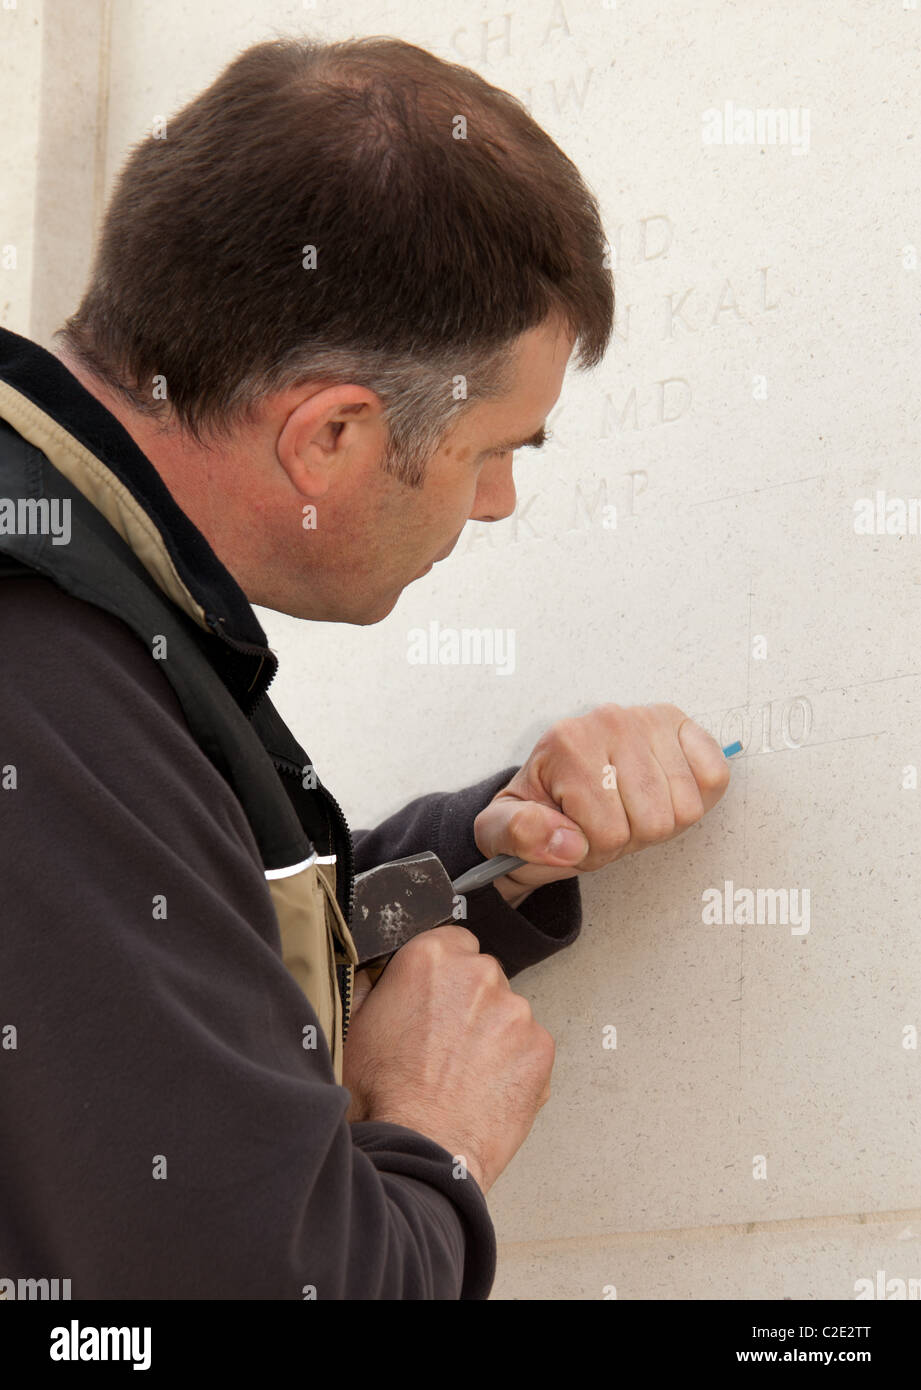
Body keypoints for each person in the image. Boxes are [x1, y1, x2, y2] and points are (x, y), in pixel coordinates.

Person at [0, 35, 730, 1300]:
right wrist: (436, 1135)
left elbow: (164, 936)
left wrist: (478, 859)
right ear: (331, 434)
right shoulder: (44, 663)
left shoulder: (76, 575)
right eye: (496, 448)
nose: (499, 503)